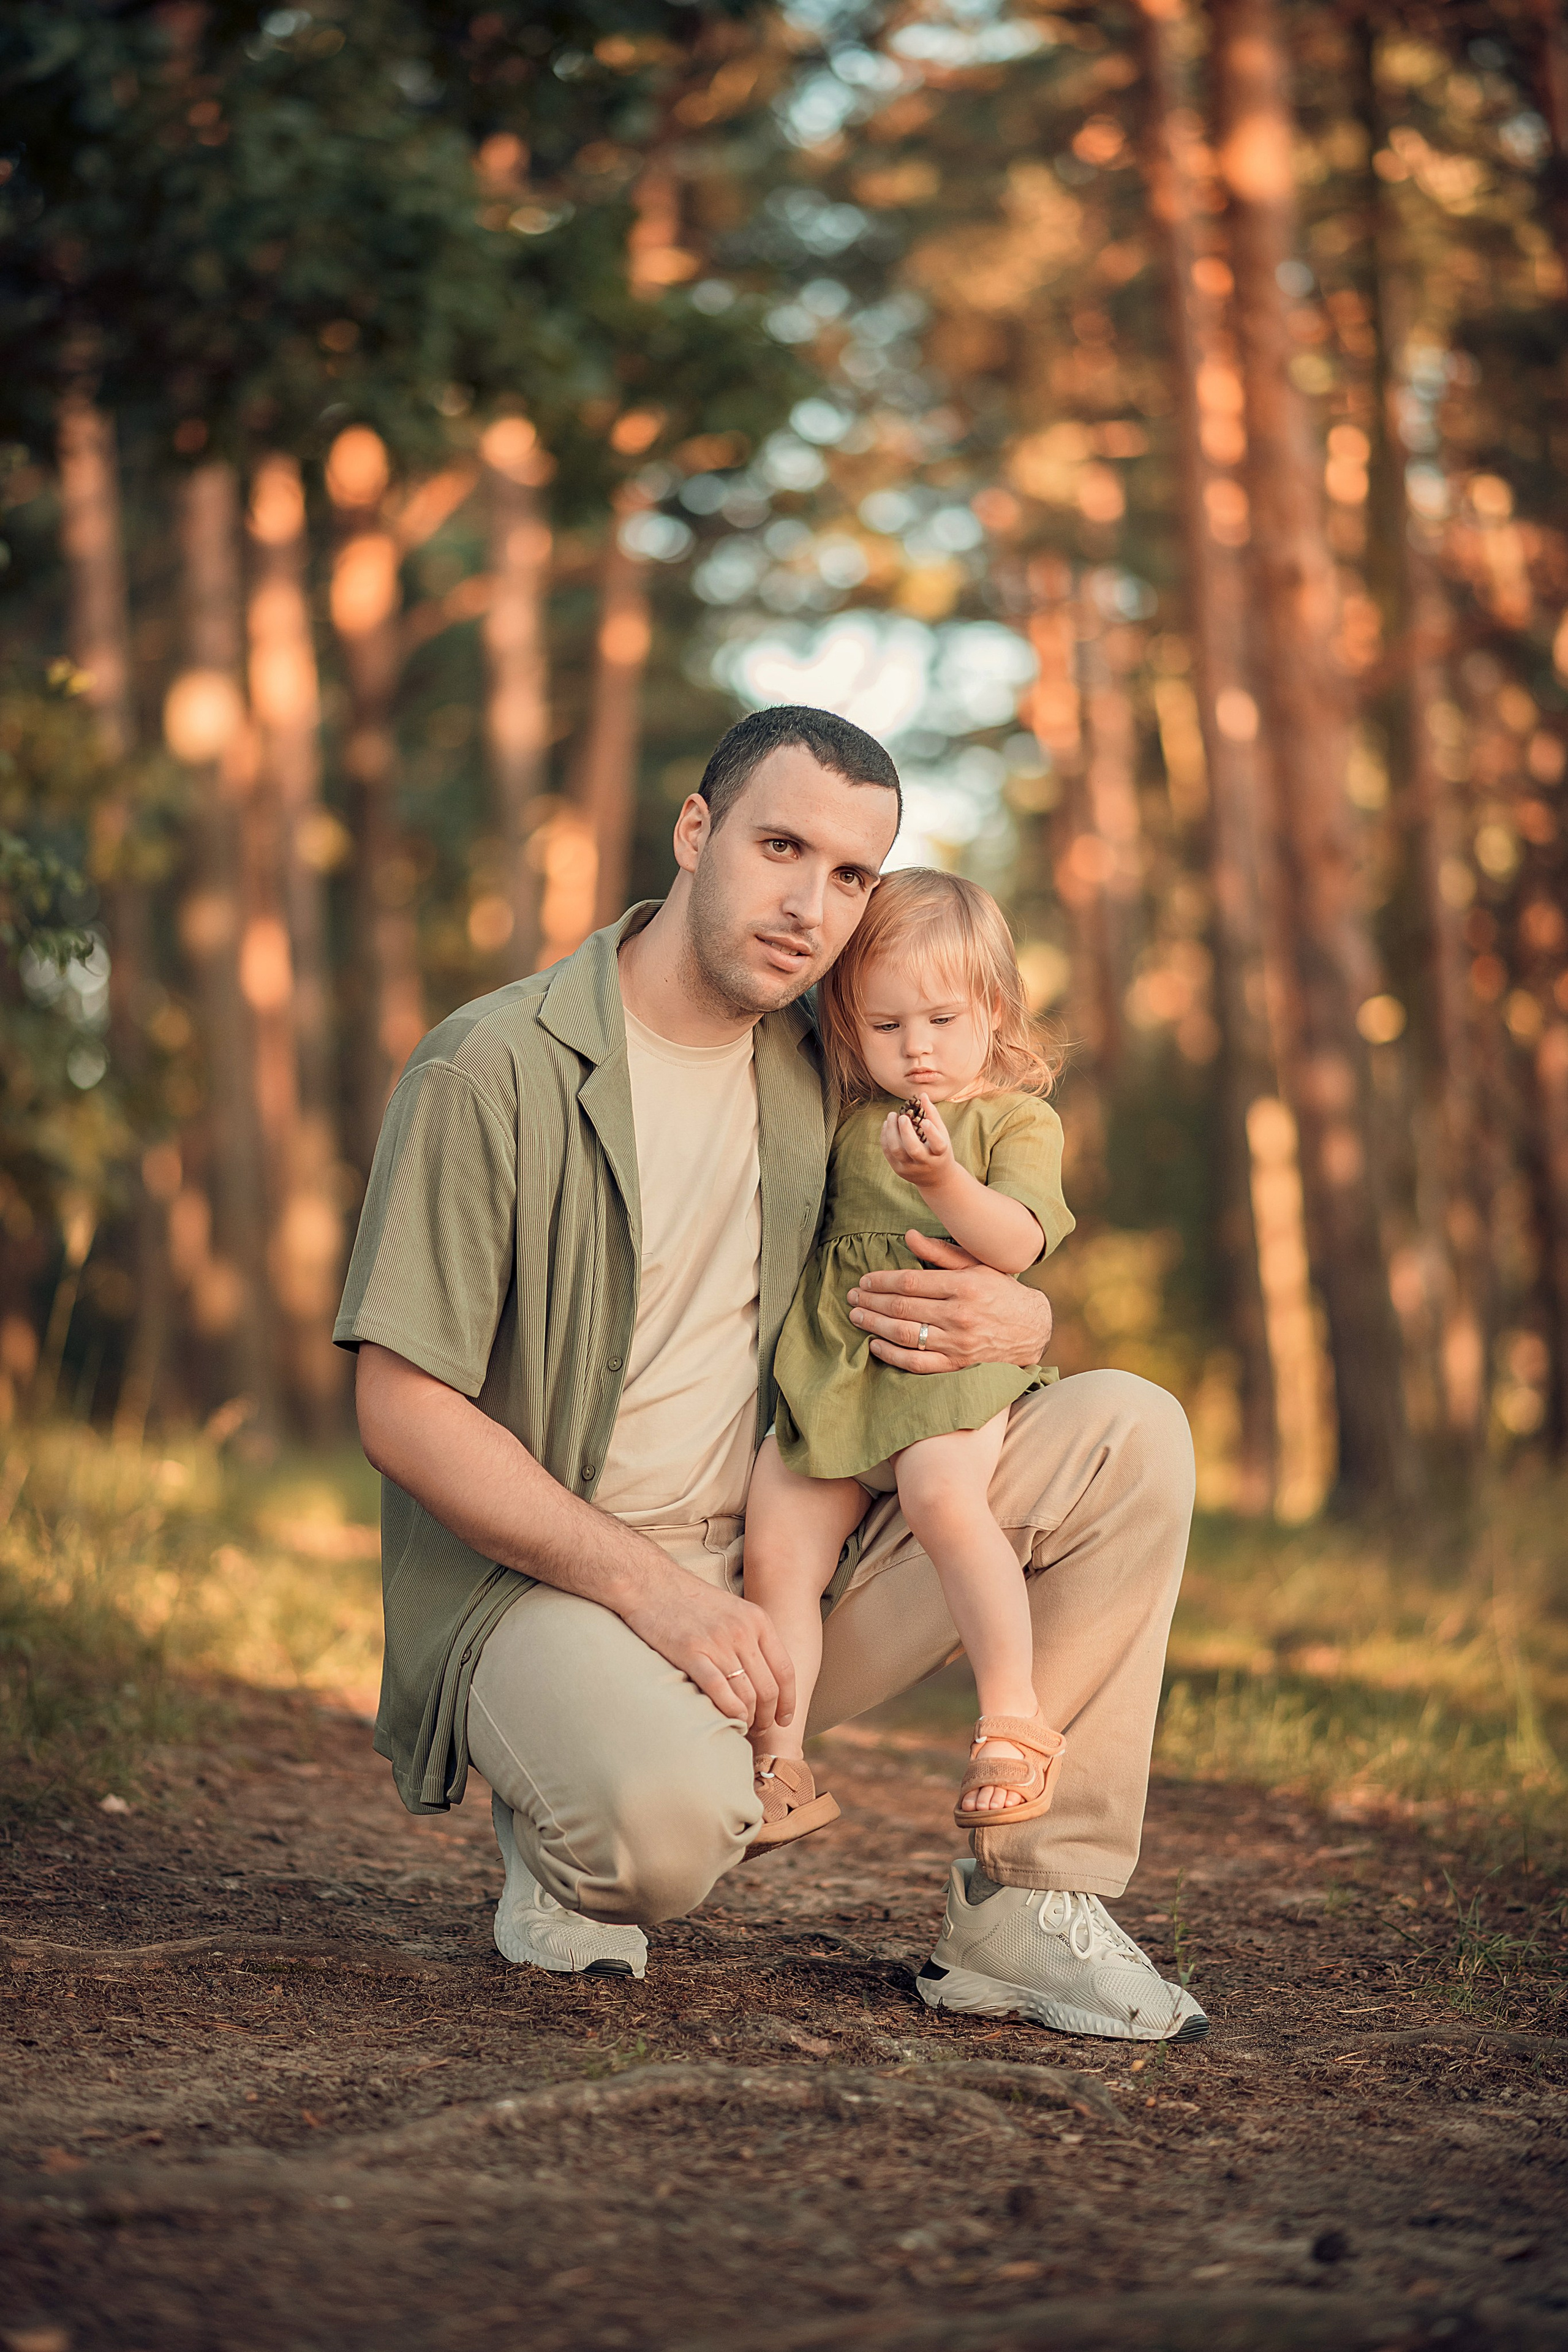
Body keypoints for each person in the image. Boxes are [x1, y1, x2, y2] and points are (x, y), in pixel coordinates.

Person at [339, 704, 1206, 2042]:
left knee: (1127, 1432)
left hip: (779, 1566)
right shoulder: (491, 1066)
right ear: (694, 833)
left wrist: (1018, 1321)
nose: (811, 904)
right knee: (669, 1836)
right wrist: (660, 1604)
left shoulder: (829, 1065)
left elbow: (962, 1216)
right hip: (553, 1584)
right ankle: (573, 1820)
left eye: (852, 874)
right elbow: (399, 1409)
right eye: (780, 846)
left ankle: (1023, 1903)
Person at [743, 868, 1073, 1855]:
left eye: (939, 1019)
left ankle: (1012, 1715)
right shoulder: (847, 1120)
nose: (916, 1048)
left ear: (996, 1010)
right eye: (886, 1027)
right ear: (849, 1026)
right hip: (836, 1370)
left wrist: (942, 1178)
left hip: (945, 1370)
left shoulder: (1015, 1121)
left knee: (943, 1498)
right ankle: (778, 1761)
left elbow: (1014, 1241)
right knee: (778, 1543)